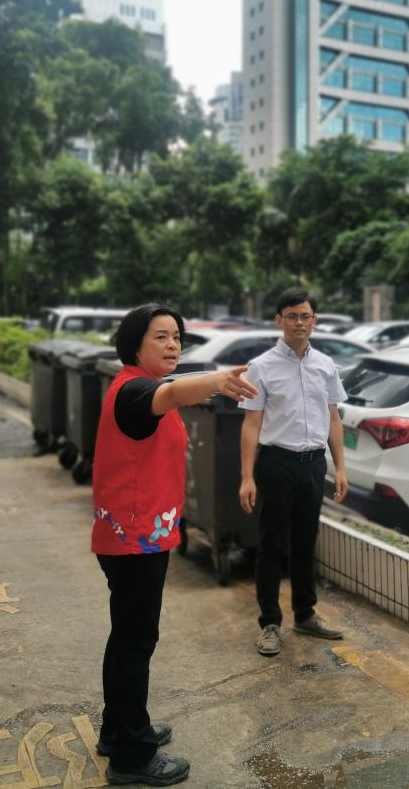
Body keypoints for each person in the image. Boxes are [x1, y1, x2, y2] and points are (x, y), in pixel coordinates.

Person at [92, 303, 257, 786]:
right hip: (134, 541)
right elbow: (168, 394)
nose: (172, 345)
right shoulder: (136, 391)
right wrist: (216, 380)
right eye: (160, 336)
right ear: (134, 344)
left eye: (177, 337)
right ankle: (132, 758)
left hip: (133, 536)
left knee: (126, 637)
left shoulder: (139, 386)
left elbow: (169, 392)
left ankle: (119, 730)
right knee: (136, 642)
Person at [239, 288, 349, 657]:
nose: (299, 323)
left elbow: (333, 418)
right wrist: (247, 476)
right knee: (272, 544)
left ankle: (305, 614)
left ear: (314, 321)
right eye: (291, 316)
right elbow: (251, 424)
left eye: (305, 316)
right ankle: (270, 623)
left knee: (305, 541)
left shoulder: (326, 365)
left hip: (313, 464)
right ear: (279, 320)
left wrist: (340, 467)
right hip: (276, 463)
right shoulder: (261, 367)